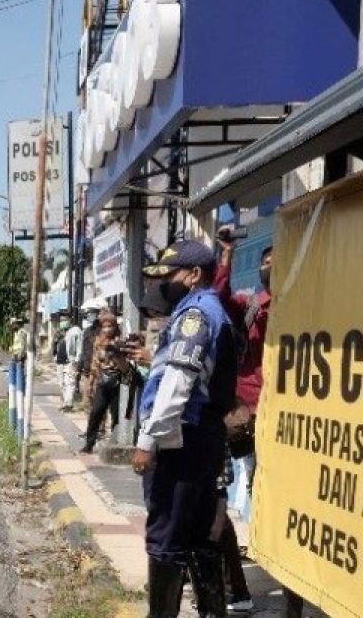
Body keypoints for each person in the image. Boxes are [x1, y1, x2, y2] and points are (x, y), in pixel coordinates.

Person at [133, 240, 238, 618]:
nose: (166, 284)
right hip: (201, 436)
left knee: (165, 538)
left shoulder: (195, 315)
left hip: (183, 438)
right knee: (197, 537)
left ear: (194, 276)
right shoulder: (210, 310)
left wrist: (148, 439)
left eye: (171, 275)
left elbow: (178, 379)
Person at [212, 234, 273, 614]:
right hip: (248, 411)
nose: (272, 267)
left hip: (286, 409)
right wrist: (228, 254)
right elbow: (220, 296)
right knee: (249, 482)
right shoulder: (252, 305)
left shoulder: (304, 302)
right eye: (267, 262)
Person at [80, 313, 131, 453]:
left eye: (110, 326)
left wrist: (117, 353)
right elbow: (94, 364)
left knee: (116, 415)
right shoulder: (98, 341)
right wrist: (90, 384)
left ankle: (115, 443)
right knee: (96, 412)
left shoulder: (120, 341)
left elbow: (126, 366)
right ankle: (89, 443)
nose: (107, 329)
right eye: (105, 326)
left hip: (117, 383)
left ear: (115, 327)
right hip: (102, 382)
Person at [62, 311, 84, 408]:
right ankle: (67, 403)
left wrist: (75, 361)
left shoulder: (75, 331)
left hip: (72, 361)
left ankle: (69, 404)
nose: (63, 321)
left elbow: (78, 348)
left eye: (65, 319)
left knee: (70, 383)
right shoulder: (71, 331)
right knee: (68, 382)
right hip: (69, 361)